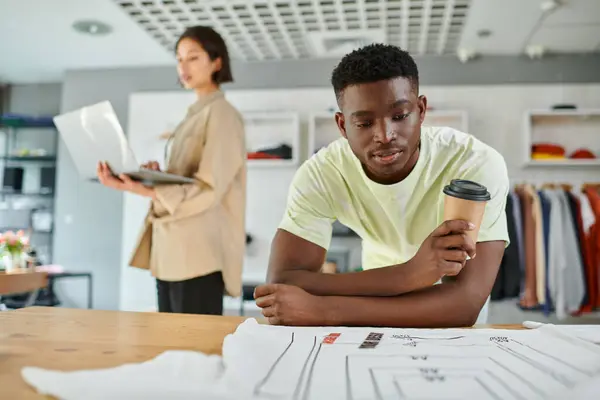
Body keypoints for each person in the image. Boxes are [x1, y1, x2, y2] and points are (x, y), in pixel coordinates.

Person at [254, 44, 509, 328]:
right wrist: (408, 275)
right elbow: (283, 281)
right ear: (342, 125)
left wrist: (326, 311)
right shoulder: (322, 173)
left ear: (421, 110)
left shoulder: (473, 163)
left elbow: (462, 303)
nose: (385, 136)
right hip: (371, 311)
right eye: (364, 123)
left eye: (399, 117)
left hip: (446, 326)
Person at [97, 26, 246, 315]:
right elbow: (186, 178)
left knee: (194, 353)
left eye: (193, 57)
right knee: (171, 349)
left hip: (196, 254)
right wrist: (157, 174)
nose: (183, 66)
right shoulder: (194, 115)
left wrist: (141, 187)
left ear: (217, 63)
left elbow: (208, 189)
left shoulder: (223, 115)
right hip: (170, 251)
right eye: (179, 59)